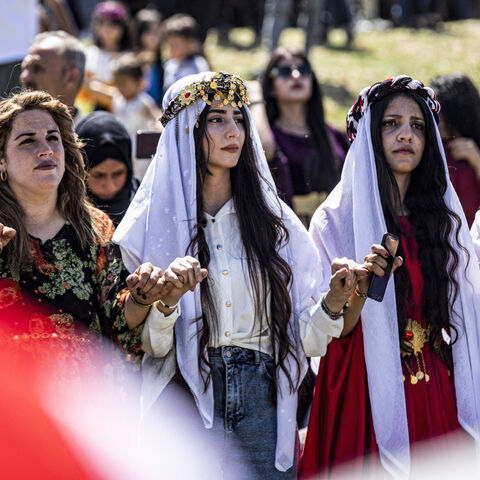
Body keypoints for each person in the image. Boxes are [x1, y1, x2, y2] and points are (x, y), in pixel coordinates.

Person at [113, 71, 365, 479]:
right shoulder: (148, 227)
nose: (234, 131)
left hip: (263, 397)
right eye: (216, 119)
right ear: (187, 129)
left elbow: (305, 340)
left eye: (239, 118)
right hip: (184, 401)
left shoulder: (275, 223)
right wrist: (167, 301)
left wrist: (333, 302)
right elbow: (151, 347)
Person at [300, 76, 480, 478]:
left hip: (433, 387)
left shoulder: (440, 221)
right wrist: (357, 293)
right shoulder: (334, 220)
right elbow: (326, 334)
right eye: (391, 123)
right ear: (368, 134)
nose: (405, 135)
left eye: (417, 126)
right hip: (360, 387)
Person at [0, 90, 173, 375]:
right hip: (17, 407)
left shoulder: (94, 226)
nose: (45, 149)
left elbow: (117, 324)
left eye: (53, 138)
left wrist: (142, 296)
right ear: (2, 160)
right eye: (27, 141)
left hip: (85, 404)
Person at [253, 47, 348, 224]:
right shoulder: (268, 136)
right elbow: (264, 150)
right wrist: (256, 98)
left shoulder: (333, 134)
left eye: (304, 70)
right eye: (284, 72)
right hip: (289, 238)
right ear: (271, 86)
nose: (296, 76)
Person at [430, 74, 480, 226]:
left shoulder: (474, 152)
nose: (437, 120)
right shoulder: (432, 149)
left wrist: (478, 163)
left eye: (441, 113)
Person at [76, 111, 139, 226]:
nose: (109, 186)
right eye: (99, 175)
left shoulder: (144, 204)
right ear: (81, 171)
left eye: (117, 173)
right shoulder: (63, 213)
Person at [20, 30, 86, 124]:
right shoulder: (6, 133)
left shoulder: (93, 137)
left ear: (71, 77)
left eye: (37, 69)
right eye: (24, 68)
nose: (24, 77)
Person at [83, 1, 134, 109]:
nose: (107, 30)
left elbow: (132, 92)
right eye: (101, 23)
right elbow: (88, 88)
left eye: (112, 24)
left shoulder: (129, 57)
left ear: (123, 27)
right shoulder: (90, 54)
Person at [161, 14, 210, 94]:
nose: (171, 49)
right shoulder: (169, 66)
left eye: (175, 44)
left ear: (191, 43)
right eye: (169, 45)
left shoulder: (199, 65)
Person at [134, 7, 164, 106]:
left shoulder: (165, 62)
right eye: (148, 32)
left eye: (156, 32)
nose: (153, 37)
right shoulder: (131, 62)